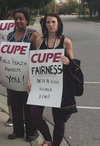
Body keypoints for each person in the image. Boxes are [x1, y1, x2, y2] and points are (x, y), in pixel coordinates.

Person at [28, 13, 78, 146]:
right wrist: (28, 79)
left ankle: (55, 144)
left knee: (59, 119)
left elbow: (73, 64)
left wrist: (68, 62)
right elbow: (34, 63)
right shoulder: (39, 40)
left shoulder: (65, 42)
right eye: (48, 22)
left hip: (59, 85)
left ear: (59, 24)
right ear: (44, 24)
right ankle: (48, 139)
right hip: (41, 84)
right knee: (34, 113)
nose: (50, 25)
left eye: (53, 22)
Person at [6, 9, 39, 142]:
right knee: (15, 104)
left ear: (27, 20)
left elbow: (38, 55)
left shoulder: (32, 35)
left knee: (29, 105)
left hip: (28, 76)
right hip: (14, 76)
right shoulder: (10, 35)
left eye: (21, 18)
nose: (18, 21)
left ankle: (32, 131)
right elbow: (6, 56)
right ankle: (18, 130)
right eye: (16, 19)